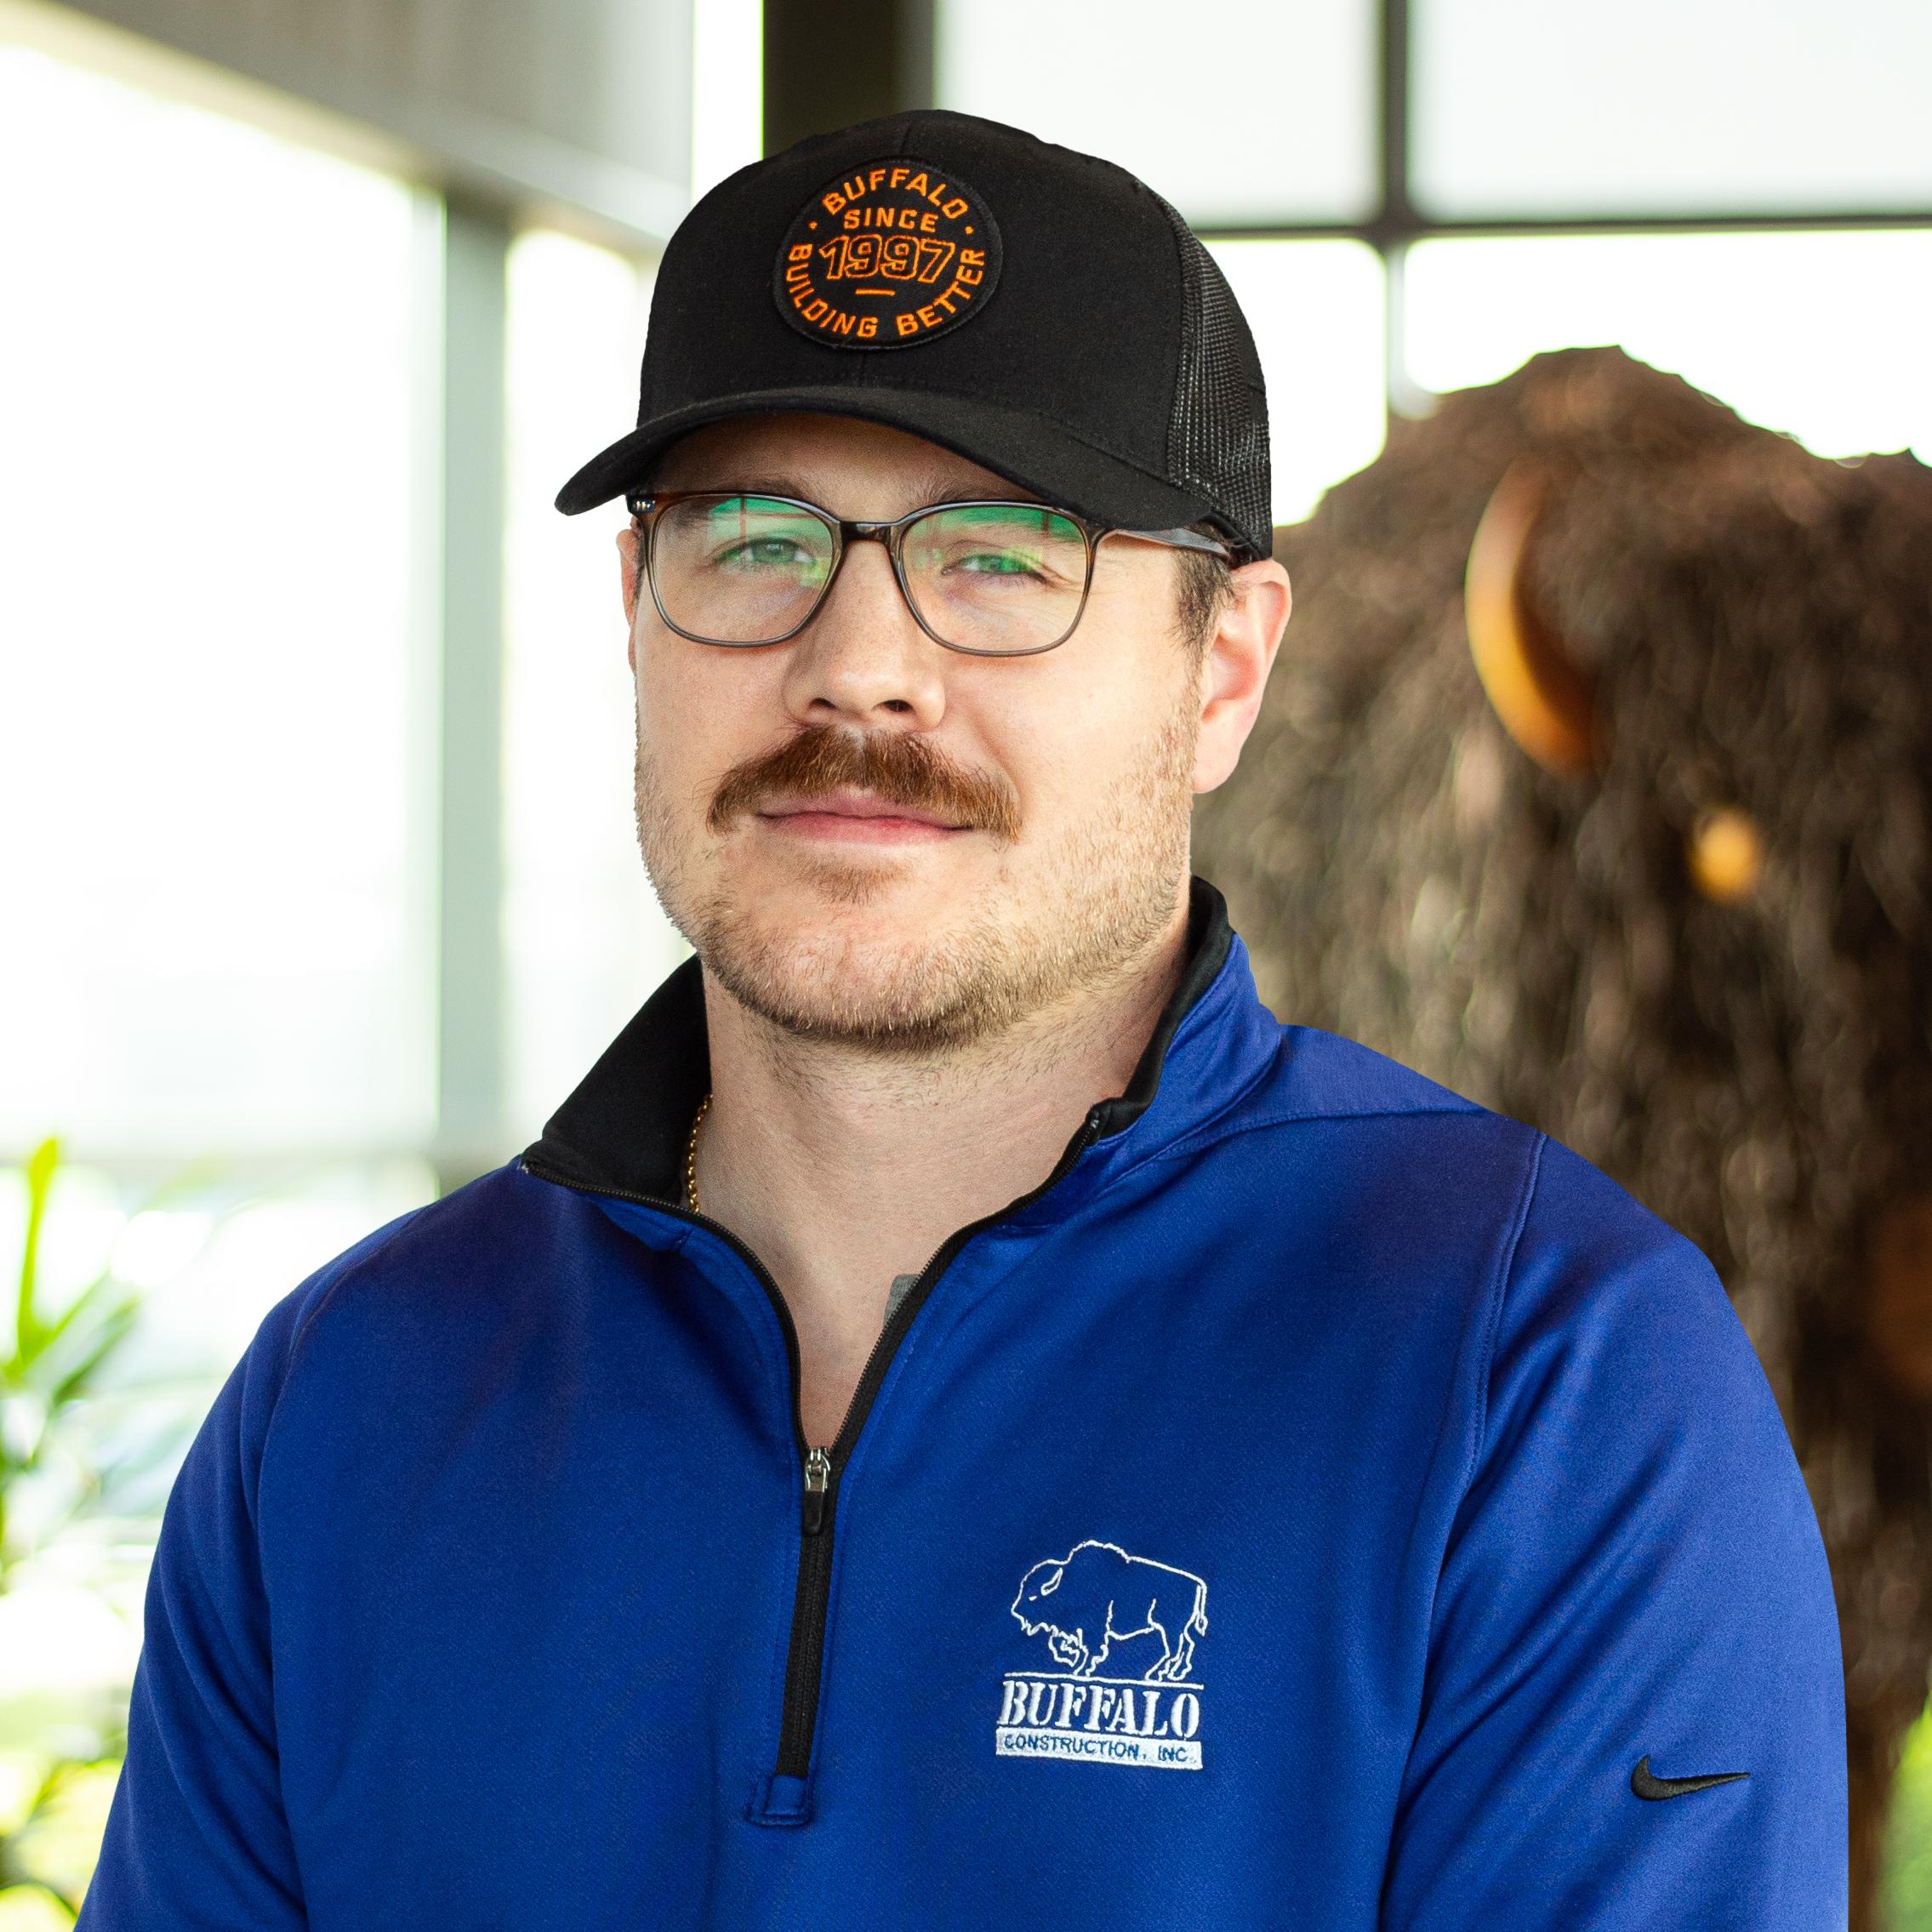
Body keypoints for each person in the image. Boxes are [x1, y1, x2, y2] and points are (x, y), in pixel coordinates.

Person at [80, 111, 1844, 1929]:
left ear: (1220, 670)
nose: (856, 662)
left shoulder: (1540, 1374)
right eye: (754, 539)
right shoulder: (345, 1396)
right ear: (636, 609)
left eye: (1002, 555)